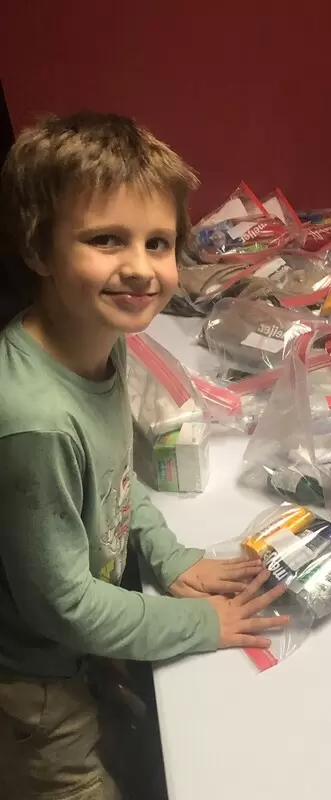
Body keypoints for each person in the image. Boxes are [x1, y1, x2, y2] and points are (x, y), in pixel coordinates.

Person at [0, 112, 288, 799]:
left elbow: (118, 482)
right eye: (106, 240)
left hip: (84, 652)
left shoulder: (103, 340)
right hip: (34, 680)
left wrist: (165, 555)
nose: (140, 267)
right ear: (38, 250)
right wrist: (198, 624)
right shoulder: (31, 420)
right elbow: (62, 606)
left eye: (158, 242)